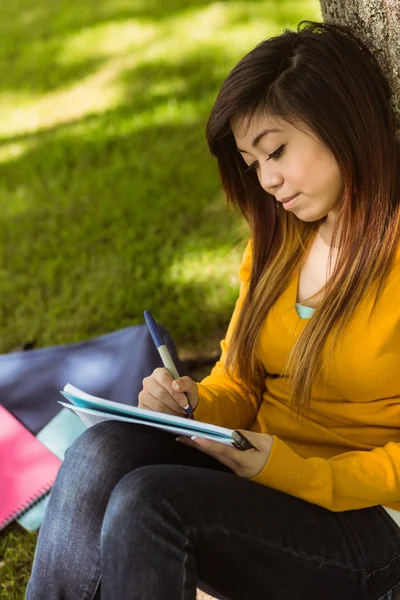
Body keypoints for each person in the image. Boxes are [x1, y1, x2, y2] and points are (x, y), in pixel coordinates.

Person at [26, 19, 400, 600]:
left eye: (277, 151)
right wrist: (195, 403)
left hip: (366, 517)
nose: (269, 180)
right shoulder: (280, 242)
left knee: (150, 505)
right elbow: (241, 379)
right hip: (263, 474)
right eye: (253, 163)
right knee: (99, 450)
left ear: (342, 122)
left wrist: (297, 470)